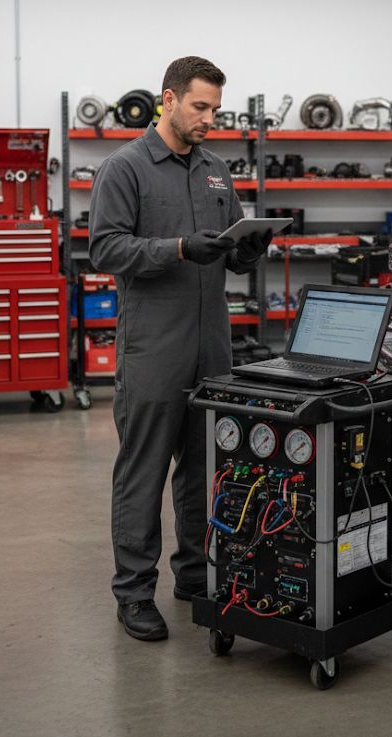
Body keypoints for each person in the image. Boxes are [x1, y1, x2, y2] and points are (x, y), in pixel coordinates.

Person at [89, 56, 272, 641]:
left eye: (216, 109)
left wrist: (247, 250)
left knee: (204, 470)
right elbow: (106, 250)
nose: (209, 119)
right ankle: (133, 593)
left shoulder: (217, 170)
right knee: (142, 471)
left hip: (212, 347)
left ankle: (194, 576)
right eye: (200, 107)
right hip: (154, 349)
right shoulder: (125, 168)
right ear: (168, 99)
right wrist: (177, 249)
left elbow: (230, 239)